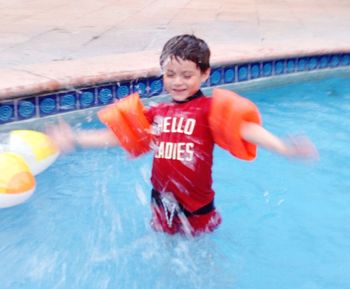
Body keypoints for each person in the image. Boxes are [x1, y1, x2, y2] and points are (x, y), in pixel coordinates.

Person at [48, 34, 318, 236]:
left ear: (204, 74)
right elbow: (120, 138)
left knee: (200, 253)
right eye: (170, 74)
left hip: (198, 205)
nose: (177, 82)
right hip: (161, 199)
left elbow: (245, 129)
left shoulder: (209, 110)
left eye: (187, 75)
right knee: (163, 246)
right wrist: (75, 139)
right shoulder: (157, 113)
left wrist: (284, 148)